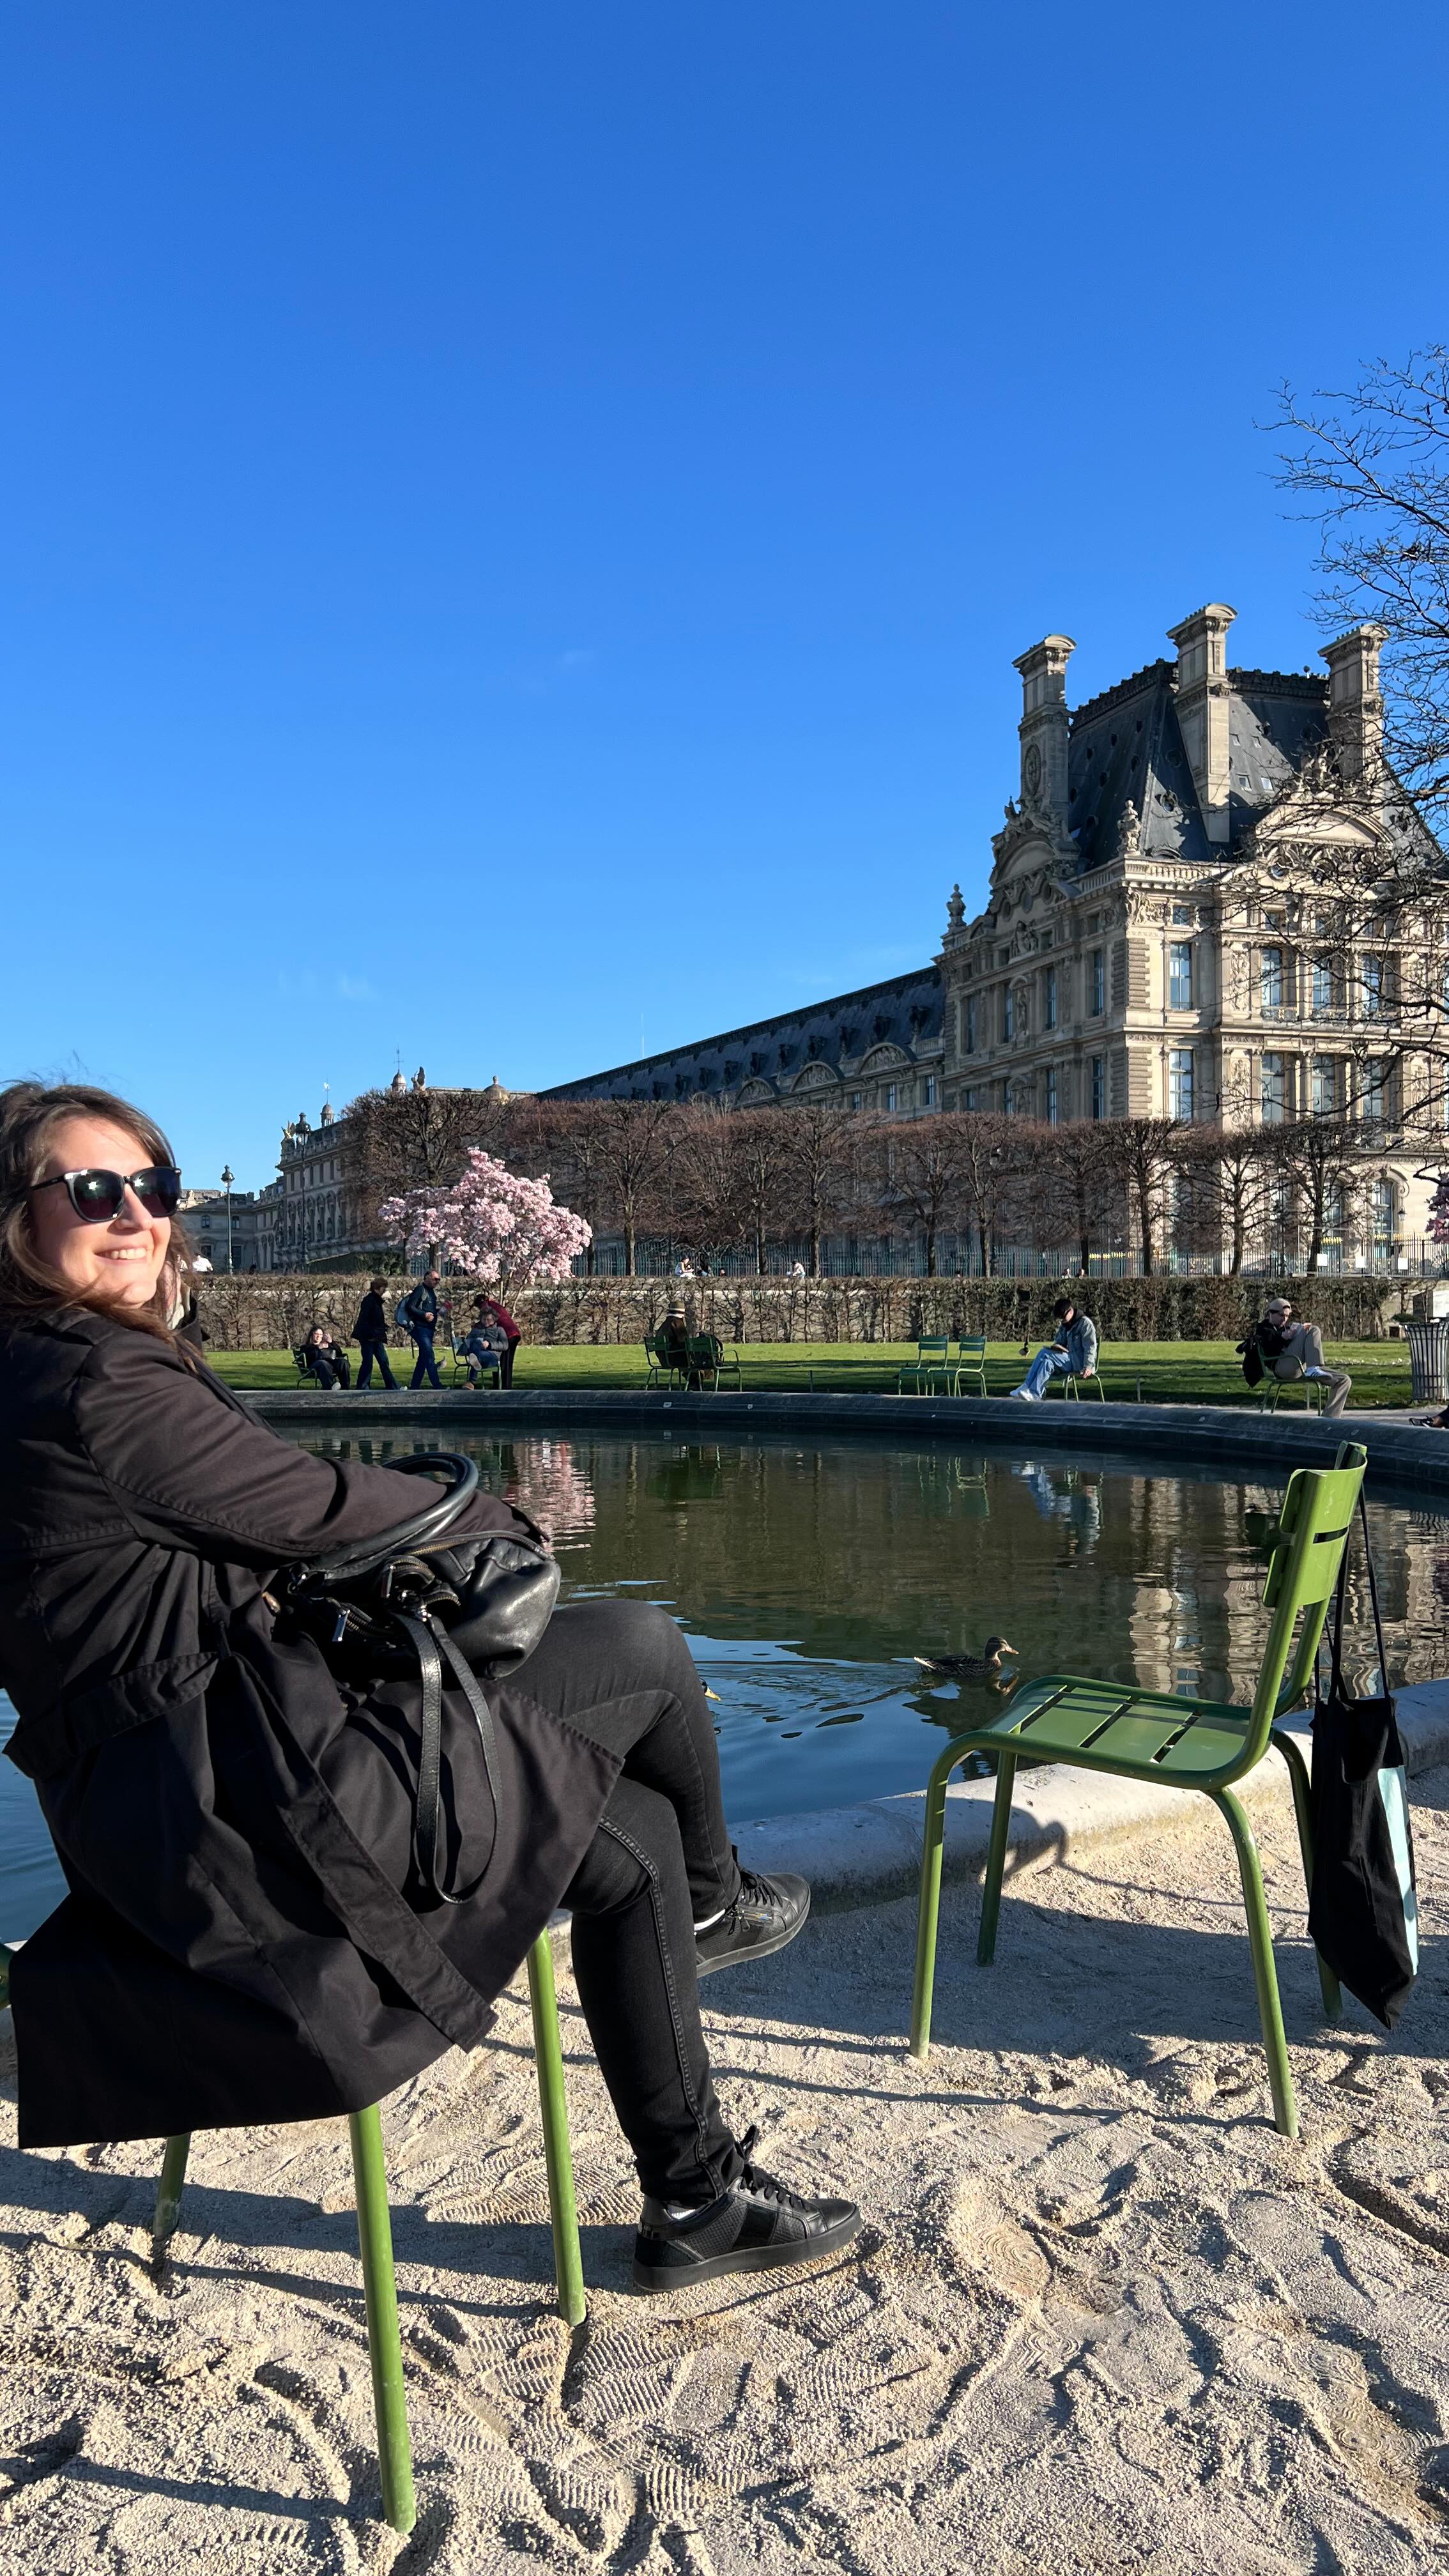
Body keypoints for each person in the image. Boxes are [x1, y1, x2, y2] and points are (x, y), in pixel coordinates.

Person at [0, 1080, 857, 2289]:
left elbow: (237, 1517)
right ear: (16, 1219)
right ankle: (721, 1914)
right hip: (254, 1815)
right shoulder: (99, 1384)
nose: (136, 1213)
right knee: (647, 1649)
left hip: (160, 1811)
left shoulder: (32, 1376)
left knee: (628, 1844)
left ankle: (694, 2194)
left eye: (153, 1188)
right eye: (93, 1191)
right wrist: (480, 1508)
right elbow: (313, 1506)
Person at [1250, 1295, 1353, 1417]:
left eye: (1287, 1316)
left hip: (1298, 1366)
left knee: (1344, 1380)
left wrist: (1292, 1334)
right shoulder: (1263, 1328)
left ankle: (1329, 1420)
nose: (1285, 1319)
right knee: (1312, 1329)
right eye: (1282, 1315)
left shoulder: (1285, 1328)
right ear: (1271, 1314)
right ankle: (1314, 1368)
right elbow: (1267, 1340)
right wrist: (1283, 1337)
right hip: (1282, 1367)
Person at [1011, 1296, 1098, 1400]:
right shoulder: (1065, 1325)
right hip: (1067, 1360)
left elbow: (1090, 1346)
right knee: (1047, 1363)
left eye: (1063, 1317)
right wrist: (1057, 1347)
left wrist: (1088, 1365)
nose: (1062, 1320)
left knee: (1044, 1353)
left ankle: (1026, 1385)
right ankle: (1035, 1394)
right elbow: (1060, 1341)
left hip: (1080, 1363)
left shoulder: (1085, 1324)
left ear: (1071, 1311)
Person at [352, 1277, 397, 1392]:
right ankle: (363, 1386)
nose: (384, 1291)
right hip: (369, 1336)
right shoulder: (370, 1301)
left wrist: (382, 1326)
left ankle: (392, 1385)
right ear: (379, 1288)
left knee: (383, 1361)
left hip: (375, 1336)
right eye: (384, 1289)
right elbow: (366, 1319)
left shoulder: (374, 1300)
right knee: (369, 1362)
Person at [473, 1291, 522, 1389]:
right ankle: (503, 1385)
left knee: (504, 1362)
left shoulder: (486, 1306)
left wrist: (477, 1327)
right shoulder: (495, 1305)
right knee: (506, 1362)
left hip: (508, 1335)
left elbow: (488, 1319)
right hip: (514, 1333)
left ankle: (504, 1387)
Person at [406, 1269, 444, 1390]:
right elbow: (410, 1307)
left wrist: (441, 1311)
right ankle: (436, 1384)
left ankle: (415, 1385)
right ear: (427, 1277)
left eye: (438, 1279)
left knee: (423, 1359)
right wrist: (424, 1315)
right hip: (420, 1328)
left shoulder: (431, 1292)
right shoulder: (420, 1290)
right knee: (429, 1355)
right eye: (435, 1279)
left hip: (428, 1329)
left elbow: (430, 1310)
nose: (437, 1282)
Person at [302, 1323, 351, 1390]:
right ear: (312, 1335)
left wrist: (332, 1342)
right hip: (316, 1366)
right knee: (323, 1363)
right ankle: (331, 1386)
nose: (318, 1336)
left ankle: (345, 1388)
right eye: (316, 1334)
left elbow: (340, 1353)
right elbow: (310, 1357)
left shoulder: (327, 1345)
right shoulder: (307, 1347)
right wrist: (319, 1348)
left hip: (330, 1365)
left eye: (321, 1335)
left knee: (343, 1362)